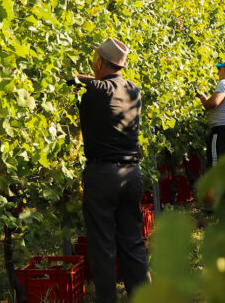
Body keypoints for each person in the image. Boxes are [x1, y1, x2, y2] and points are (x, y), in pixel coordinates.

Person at [69, 38, 149, 303]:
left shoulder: (95, 90)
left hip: (103, 175)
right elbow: (93, 81)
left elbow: (79, 80)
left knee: (102, 247)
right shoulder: (134, 90)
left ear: (100, 62)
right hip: (132, 174)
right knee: (133, 242)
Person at [195, 60, 225, 167]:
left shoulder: (224, 83)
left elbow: (213, 103)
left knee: (214, 167)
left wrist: (202, 97)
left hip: (221, 131)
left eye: (220, 70)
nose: (217, 73)